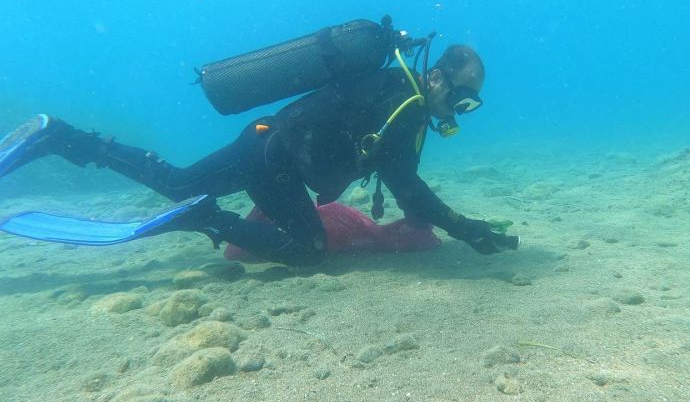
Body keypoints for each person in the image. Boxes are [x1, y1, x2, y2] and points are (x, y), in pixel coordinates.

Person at [0, 45, 518, 266]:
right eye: (461, 98)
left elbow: (406, 186)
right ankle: (206, 218)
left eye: (470, 105)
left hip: (263, 141)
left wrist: (454, 224)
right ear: (435, 76)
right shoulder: (402, 106)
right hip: (275, 160)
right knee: (308, 252)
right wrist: (464, 227)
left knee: (177, 181)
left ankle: (60, 137)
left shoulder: (394, 93)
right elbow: (409, 188)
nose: (461, 110)